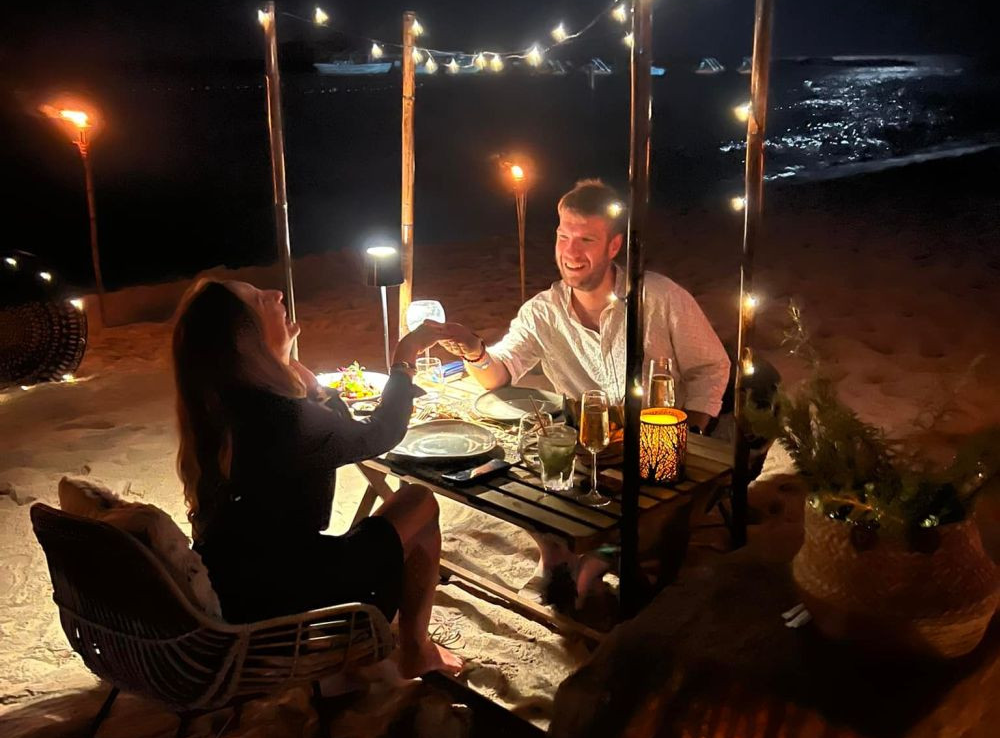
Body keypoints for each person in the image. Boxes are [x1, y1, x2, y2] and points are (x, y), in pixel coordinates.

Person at [172, 278, 461, 678]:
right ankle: (417, 650)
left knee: (384, 521)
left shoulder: (218, 404)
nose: (275, 294)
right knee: (418, 502)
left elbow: (328, 425)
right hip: (283, 599)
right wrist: (404, 358)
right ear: (244, 341)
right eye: (258, 300)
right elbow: (381, 433)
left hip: (234, 586)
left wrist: (287, 365)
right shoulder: (281, 418)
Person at [440, 178, 731, 433]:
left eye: (586, 240)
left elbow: (710, 368)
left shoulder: (660, 297)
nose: (571, 252)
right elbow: (500, 373)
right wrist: (475, 353)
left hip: (658, 443)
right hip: (588, 443)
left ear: (613, 246)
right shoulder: (543, 312)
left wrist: (690, 434)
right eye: (563, 237)